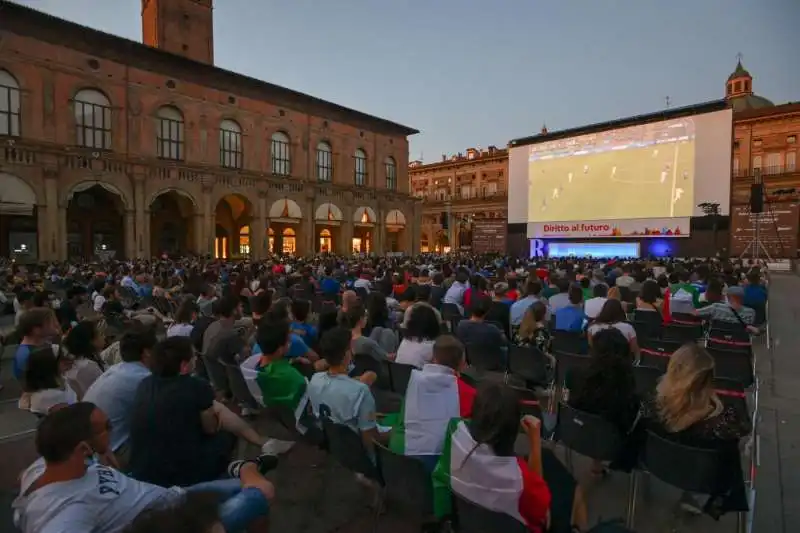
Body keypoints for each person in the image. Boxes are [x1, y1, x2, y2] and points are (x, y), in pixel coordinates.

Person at [12, 403, 274, 533]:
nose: (113, 430)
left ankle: (246, 470)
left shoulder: (44, 467)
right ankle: (247, 467)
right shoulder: (66, 515)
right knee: (261, 493)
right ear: (82, 448)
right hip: (178, 524)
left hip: (177, 496)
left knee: (249, 484)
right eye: (108, 427)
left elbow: (23, 480)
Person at [435, 382, 586, 532]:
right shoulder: (520, 478)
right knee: (568, 487)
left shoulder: (454, 433)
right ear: (513, 429)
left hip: (468, 522)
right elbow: (542, 516)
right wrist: (534, 442)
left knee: (548, 459)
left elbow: (440, 478)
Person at [129, 337, 275, 487]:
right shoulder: (197, 386)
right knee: (227, 436)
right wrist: (215, 419)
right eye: (194, 357)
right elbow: (210, 429)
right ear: (184, 366)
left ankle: (256, 444)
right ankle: (234, 475)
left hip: (144, 473)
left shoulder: (144, 385)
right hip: (182, 475)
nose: (196, 359)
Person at [647, 343, 751, 515]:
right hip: (703, 479)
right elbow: (734, 450)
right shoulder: (725, 420)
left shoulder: (652, 405)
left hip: (660, 466)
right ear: (709, 378)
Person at [390, 335, 476, 472]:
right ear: (462, 363)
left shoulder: (414, 383)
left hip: (397, 458)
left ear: (434, 359)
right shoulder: (470, 393)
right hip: (436, 468)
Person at [83, 326, 158, 469]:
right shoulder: (142, 379)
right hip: (113, 452)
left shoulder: (116, 370)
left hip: (94, 449)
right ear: (147, 352)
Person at [569, 328, 640, 475]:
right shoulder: (625, 386)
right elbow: (626, 423)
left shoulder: (576, 375)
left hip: (574, 433)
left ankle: (597, 463)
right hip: (611, 444)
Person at [307, 327, 380, 448]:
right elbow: (370, 438)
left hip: (335, 445)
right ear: (347, 354)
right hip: (358, 451)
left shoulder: (315, 379)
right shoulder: (361, 391)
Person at [18, 346, 77, 416]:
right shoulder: (47, 397)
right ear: (48, 366)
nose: (70, 361)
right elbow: (70, 416)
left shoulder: (62, 378)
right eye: (63, 360)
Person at [13, 308, 61, 380]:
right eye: (50, 322)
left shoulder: (40, 343)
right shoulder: (29, 355)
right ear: (37, 330)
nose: (56, 324)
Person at [61, 321, 106, 398]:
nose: (104, 337)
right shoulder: (86, 367)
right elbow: (101, 392)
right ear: (91, 341)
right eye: (100, 334)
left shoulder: (83, 360)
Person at [395, 303, 441, 368]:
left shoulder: (405, 340)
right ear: (433, 323)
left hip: (398, 377)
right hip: (417, 376)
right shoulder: (433, 347)